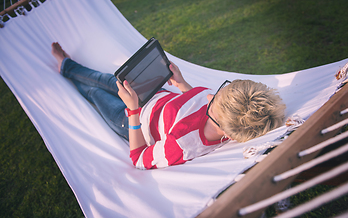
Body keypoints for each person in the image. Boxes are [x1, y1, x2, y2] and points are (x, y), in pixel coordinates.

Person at [51, 42, 286, 170]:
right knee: (106, 79)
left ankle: (67, 71)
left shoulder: (183, 145)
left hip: (130, 120)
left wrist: (133, 110)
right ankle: (70, 66)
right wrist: (182, 83)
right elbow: (195, 101)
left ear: (224, 129)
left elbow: (139, 158)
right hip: (154, 95)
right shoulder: (225, 116)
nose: (208, 96)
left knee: (95, 92)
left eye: (213, 101)